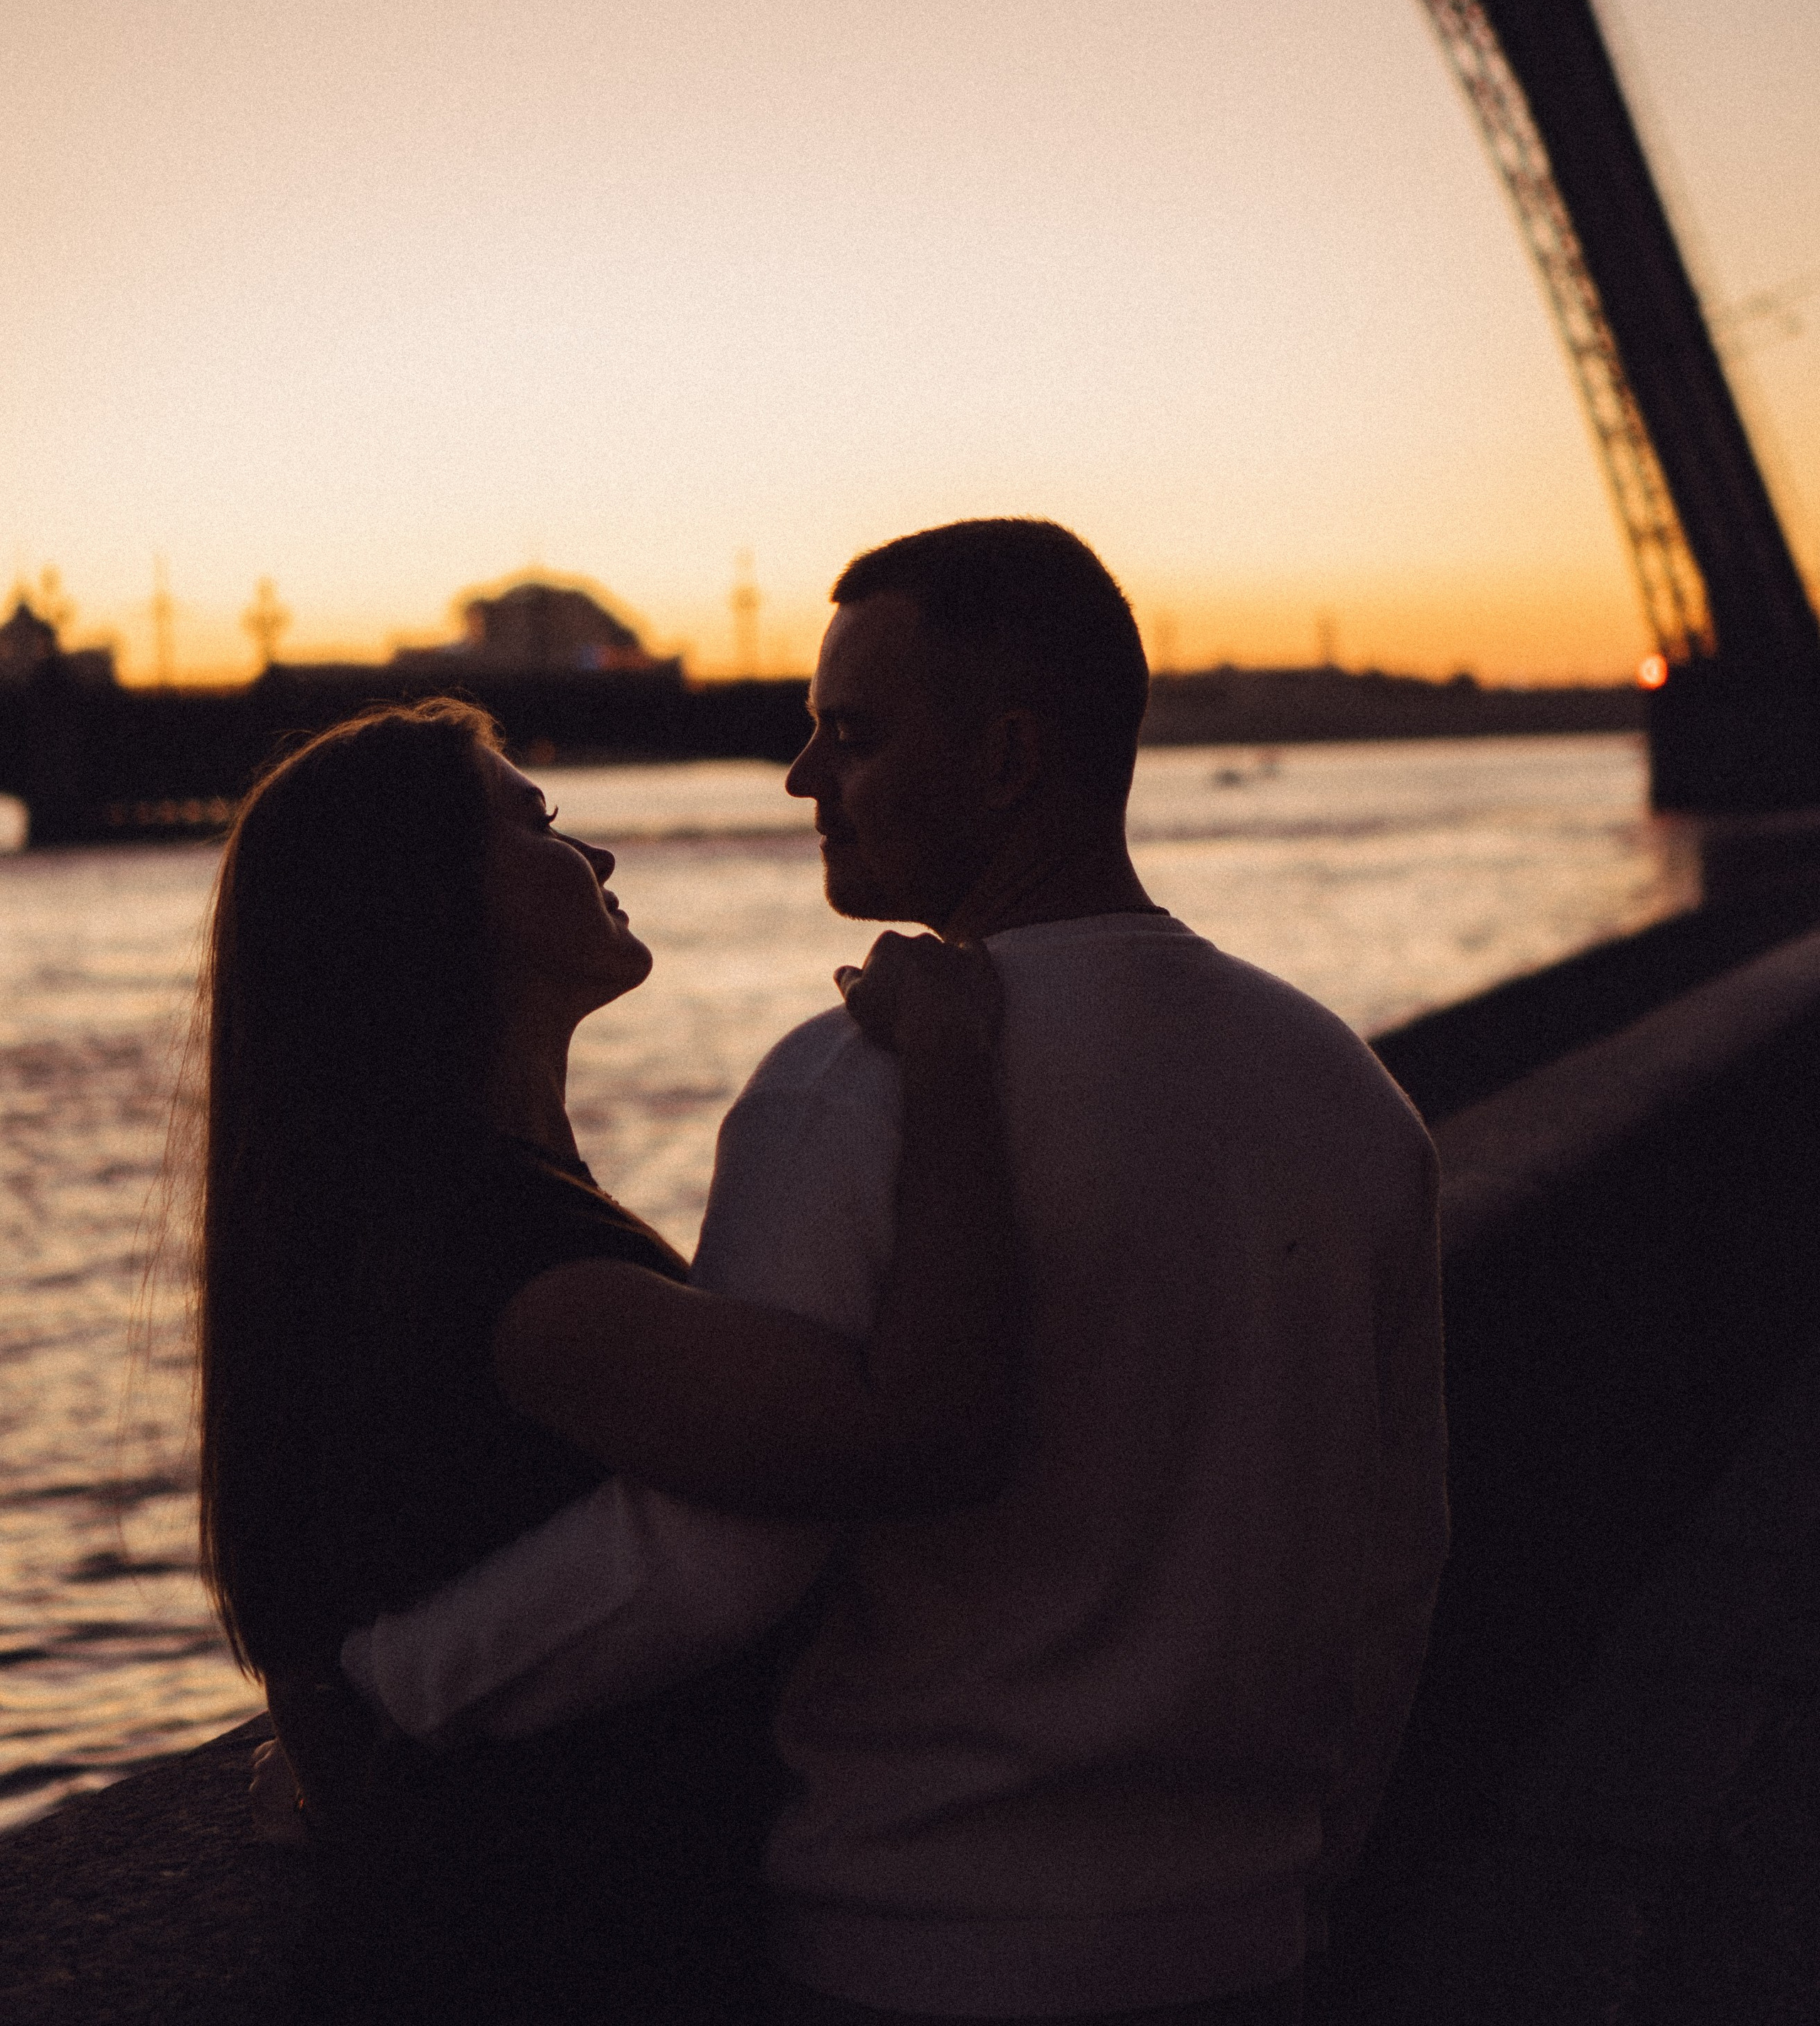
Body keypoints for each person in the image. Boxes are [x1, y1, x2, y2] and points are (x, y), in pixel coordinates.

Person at [341, 522, 1450, 2025]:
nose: (802, 779)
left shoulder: (846, 1087)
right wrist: (1302, 1883)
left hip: (916, 1942)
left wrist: (394, 1688)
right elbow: (1392, 1556)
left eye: (849, 736)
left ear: (1005, 759)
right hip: (1244, 1939)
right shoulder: (1341, 1091)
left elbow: (723, 1552)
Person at [192, 697, 1011, 2022]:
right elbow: (926, 1435)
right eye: (545, 825)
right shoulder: (512, 1266)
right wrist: (958, 1072)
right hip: (556, 1959)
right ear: (430, 902)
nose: (600, 859)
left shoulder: (444, 1210)